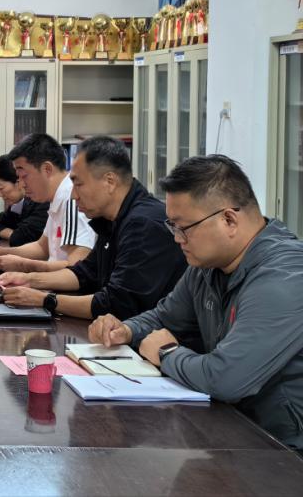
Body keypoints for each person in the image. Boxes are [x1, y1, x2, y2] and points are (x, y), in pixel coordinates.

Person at [88, 155, 303, 448]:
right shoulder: (208, 266)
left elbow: (225, 379)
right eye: (172, 227)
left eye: (183, 227)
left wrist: (166, 352)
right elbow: (165, 317)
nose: (177, 239)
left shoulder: (284, 278)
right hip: (232, 430)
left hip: (284, 450)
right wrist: (125, 330)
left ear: (229, 220)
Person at [0, 137, 187, 319]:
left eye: (79, 184)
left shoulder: (143, 224)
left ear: (109, 182)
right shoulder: (110, 218)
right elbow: (86, 273)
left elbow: (117, 304)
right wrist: (29, 280)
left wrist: (46, 300)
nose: (74, 195)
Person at [0, 134, 96, 271]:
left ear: (47, 169)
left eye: (24, 176)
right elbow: (42, 247)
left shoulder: (72, 199)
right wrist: (1, 252)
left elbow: (76, 268)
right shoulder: (56, 198)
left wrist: (23, 266)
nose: (22, 185)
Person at [0, 155, 49, 247]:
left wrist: (15, 235)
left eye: (1, 188)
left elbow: (21, 238)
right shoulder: (19, 204)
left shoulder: (43, 202)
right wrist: (12, 234)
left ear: (19, 181)